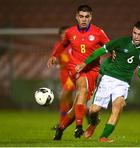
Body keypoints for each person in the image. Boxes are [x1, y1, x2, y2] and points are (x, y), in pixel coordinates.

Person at [76, 21, 140, 143]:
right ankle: (94, 123)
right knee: (94, 110)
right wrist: (84, 63)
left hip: (123, 83)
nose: (136, 36)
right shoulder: (121, 41)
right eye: (134, 33)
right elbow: (101, 51)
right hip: (108, 78)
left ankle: (103, 137)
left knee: (117, 107)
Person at [47, 4, 109, 140]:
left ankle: (60, 129)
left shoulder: (98, 32)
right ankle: (79, 126)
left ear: (91, 17)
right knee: (82, 90)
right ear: (76, 17)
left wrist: (114, 53)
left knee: (77, 106)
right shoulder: (70, 32)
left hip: (92, 71)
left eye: (87, 17)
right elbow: (63, 44)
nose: (84, 19)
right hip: (75, 68)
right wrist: (54, 55)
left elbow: (109, 47)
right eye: (81, 16)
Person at [47, 26, 75, 130]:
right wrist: (55, 62)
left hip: (73, 75)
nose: (65, 35)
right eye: (63, 33)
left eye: (67, 33)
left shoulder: (74, 44)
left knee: (63, 96)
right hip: (63, 75)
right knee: (67, 100)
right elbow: (55, 58)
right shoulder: (58, 45)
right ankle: (64, 121)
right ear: (60, 35)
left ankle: (65, 122)